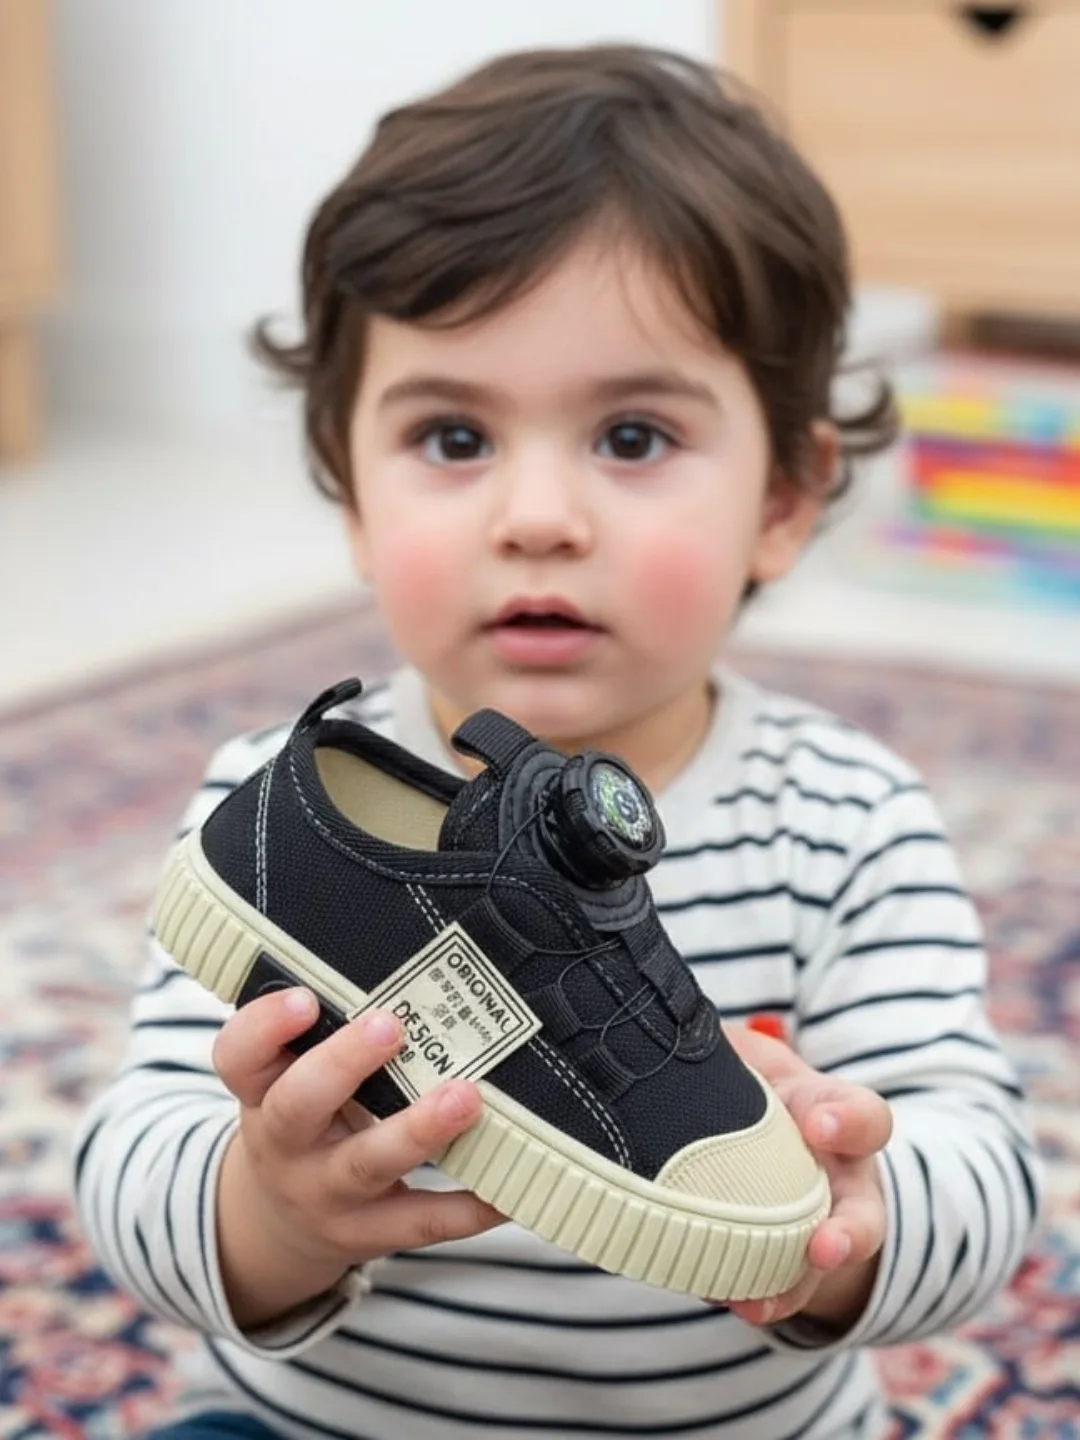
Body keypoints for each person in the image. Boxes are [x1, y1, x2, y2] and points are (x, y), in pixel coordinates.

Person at [73, 43, 1041, 1440]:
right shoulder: (283, 828)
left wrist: (857, 1212)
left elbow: (983, 1170)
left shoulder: (843, 820)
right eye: (453, 438)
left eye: (633, 438)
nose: (537, 517)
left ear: (784, 498)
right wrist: (271, 1212)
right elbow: (136, 1165)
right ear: (350, 496)